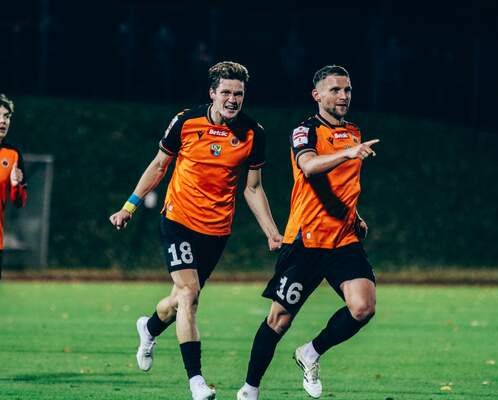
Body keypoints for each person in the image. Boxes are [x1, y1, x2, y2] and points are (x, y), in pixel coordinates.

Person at [109, 61, 283, 400]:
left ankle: (149, 327)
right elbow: (159, 165)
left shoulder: (253, 133)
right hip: (178, 220)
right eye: (226, 92)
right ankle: (197, 382)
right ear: (212, 93)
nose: (233, 100)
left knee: (176, 302)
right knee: (190, 294)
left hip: (216, 231)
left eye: (239, 94)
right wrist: (129, 206)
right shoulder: (186, 121)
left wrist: (271, 232)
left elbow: (252, 188)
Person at [236, 65, 379, 400]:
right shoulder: (305, 131)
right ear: (317, 95)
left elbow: (342, 184)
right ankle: (249, 389)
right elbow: (309, 166)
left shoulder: (353, 131)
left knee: (363, 308)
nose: (343, 96)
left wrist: (355, 215)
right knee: (279, 320)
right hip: (307, 240)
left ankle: (311, 352)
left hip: (343, 240)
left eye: (347, 89)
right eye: (335, 90)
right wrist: (348, 152)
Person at [0, 94, 27, 280]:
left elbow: (19, 202)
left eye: (7, 116)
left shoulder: (13, 154)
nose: (3, 121)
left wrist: (16, 186)